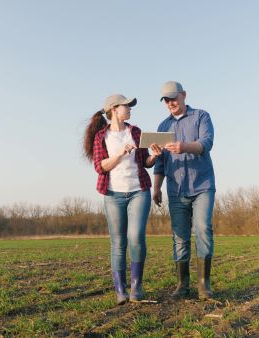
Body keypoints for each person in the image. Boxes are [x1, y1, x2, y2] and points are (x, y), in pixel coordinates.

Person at [83, 93, 161, 304]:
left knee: (136, 236)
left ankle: (136, 287)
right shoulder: (101, 136)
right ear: (114, 110)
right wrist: (120, 153)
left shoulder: (135, 132)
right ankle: (120, 291)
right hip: (113, 194)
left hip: (139, 190)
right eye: (126, 105)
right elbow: (100, 167)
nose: (130, 108)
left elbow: (145, 161)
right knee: (118, 242)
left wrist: (154, 155)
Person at [152, 81, 216, 300]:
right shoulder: (162, 127)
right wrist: (156, 188)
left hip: (202, 186)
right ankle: (182, 285)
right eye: (166, 100)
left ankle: (204, 285)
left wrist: (184, 146)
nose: (171, 103)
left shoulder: (201, 116)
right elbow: (159, 163)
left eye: (173, 98)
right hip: (176, 189)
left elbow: (206, 143)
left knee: (202, 229)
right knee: (180, 237)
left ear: (184, 95)